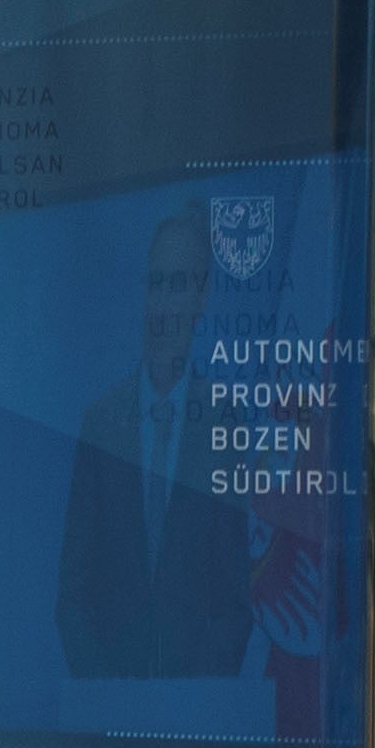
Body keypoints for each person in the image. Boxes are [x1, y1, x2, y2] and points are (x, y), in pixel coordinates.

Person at [53, 205, 257, 679]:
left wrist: (190, 701)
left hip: (195, 705)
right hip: (110, 701)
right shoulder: (101, 422)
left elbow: (233, 602)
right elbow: (73, 594)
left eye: (179, 284)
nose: (164, 304)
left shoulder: (224, 421)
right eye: (157, 283)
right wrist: (109, 696)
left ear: (201, 297)